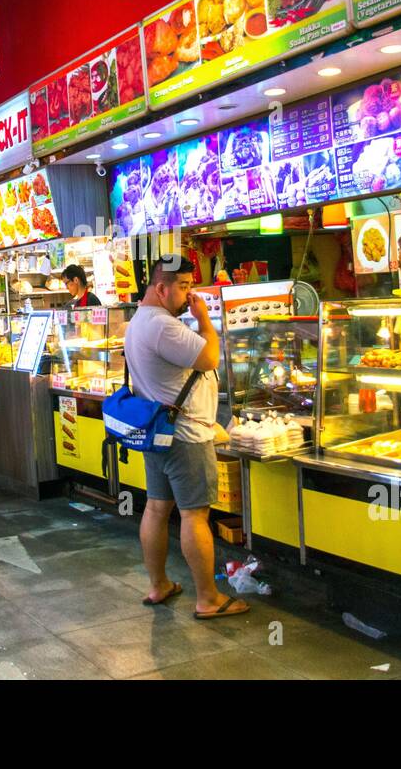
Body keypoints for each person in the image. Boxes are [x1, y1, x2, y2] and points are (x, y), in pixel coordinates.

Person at [125, 255, 249, 620]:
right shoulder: (163, 326)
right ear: (161, 288)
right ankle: (208, 599)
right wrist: (206, 321)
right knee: (195, 515)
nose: (189, 294)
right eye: (182, 287)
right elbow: (210, 357)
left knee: (156, 508)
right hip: (186, 436)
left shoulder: (138, 322)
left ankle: (159, 584)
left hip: (158, 433)